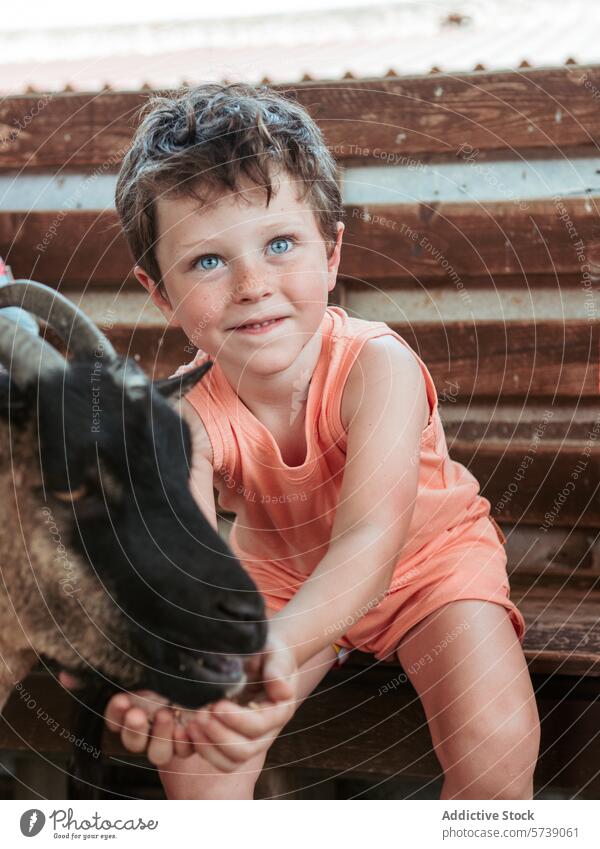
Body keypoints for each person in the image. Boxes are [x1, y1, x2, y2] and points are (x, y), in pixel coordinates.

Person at [61, 83, 540, 799]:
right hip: (280, 575)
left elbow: (370, 543)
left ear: (332, 252)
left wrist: (273, 653)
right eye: (207, 262)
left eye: (280, 244)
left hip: (428, 568)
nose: (253, 284)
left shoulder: (380, 367)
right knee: (197, 754)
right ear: (161, 293)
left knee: (495, 736)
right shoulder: (187, 413)